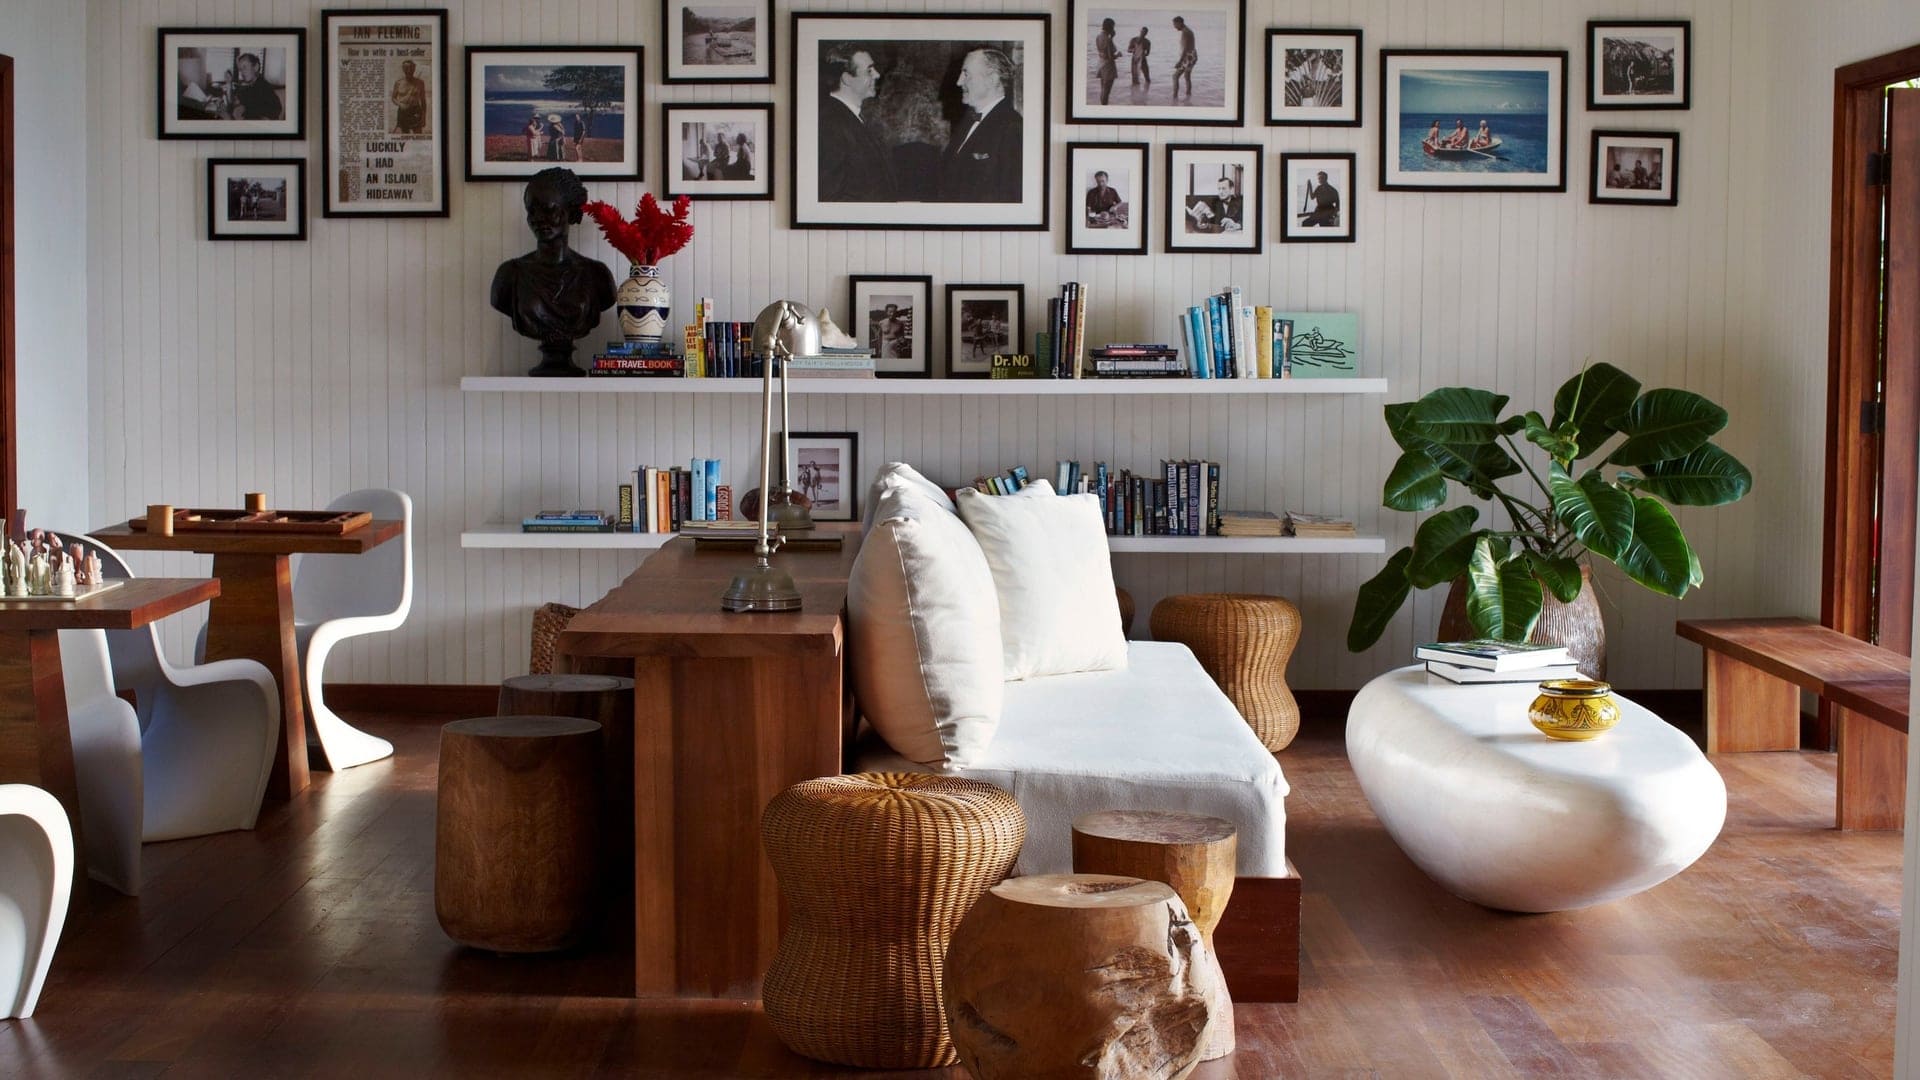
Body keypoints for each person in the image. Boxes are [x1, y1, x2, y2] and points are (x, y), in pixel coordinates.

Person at [489, 167, 618, 377]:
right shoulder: (510, 275)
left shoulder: (597, 276)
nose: (538, 218)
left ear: (571, 212)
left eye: (549, 209)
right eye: (532, 210)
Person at [940, 48, 1022, 203]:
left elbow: (1011, 197)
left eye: (966, 74)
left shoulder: (1012, 128)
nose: (959, 82)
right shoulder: (966, 122)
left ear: (992, 79)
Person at [817, 47, 899, 201]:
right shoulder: (830, 124)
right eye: (869, 71)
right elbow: (830, 198)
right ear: (847, 79)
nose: (877, 75)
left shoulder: (852, 117)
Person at [222, 52, 282, 121]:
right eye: (240, 69)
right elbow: (233, 104)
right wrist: (229, 83)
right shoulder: (249, 86)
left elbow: (276, 110)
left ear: (256, 67)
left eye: (245, 67)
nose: (242, 72)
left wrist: (245, 109)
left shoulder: (264, 87)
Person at [390, 59, 427, 135]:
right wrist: (400, 104)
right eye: (406, 68)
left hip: (416, 111)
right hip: (403, 112)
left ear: (414, 68)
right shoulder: (398, 83)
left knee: (418, 135)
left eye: (411, 68)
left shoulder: (420, 83)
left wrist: (424, 118)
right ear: (403, 69)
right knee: (405, 135)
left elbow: (423, 101)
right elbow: (393, 98)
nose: (409, 70)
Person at [1095, 18, 1120, 106]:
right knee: (1106, 91)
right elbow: (1110, 57)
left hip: (1101, 64)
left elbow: (1101, 52)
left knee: (1103, 89)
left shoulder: (1098, 36)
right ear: (1110, 27)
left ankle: (1102, 107)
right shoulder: (1107, 39)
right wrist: (1118, 55)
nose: (1114, 28)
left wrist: (1111, 37)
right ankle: (1104, 108)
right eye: (1113, 26)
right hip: (1108, 66)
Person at [1171, 17, 1197, 99]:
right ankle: (1188, 96)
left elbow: (1185, 49)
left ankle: (1174, 97)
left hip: (1188, 57)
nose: (1174, 27)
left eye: (1175, 24)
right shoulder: (1187, 31)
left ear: (1179, 23)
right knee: (1187, 77)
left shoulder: (1185, 32)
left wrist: (1180, 61)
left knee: (1175, 76)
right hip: (1192, 55)